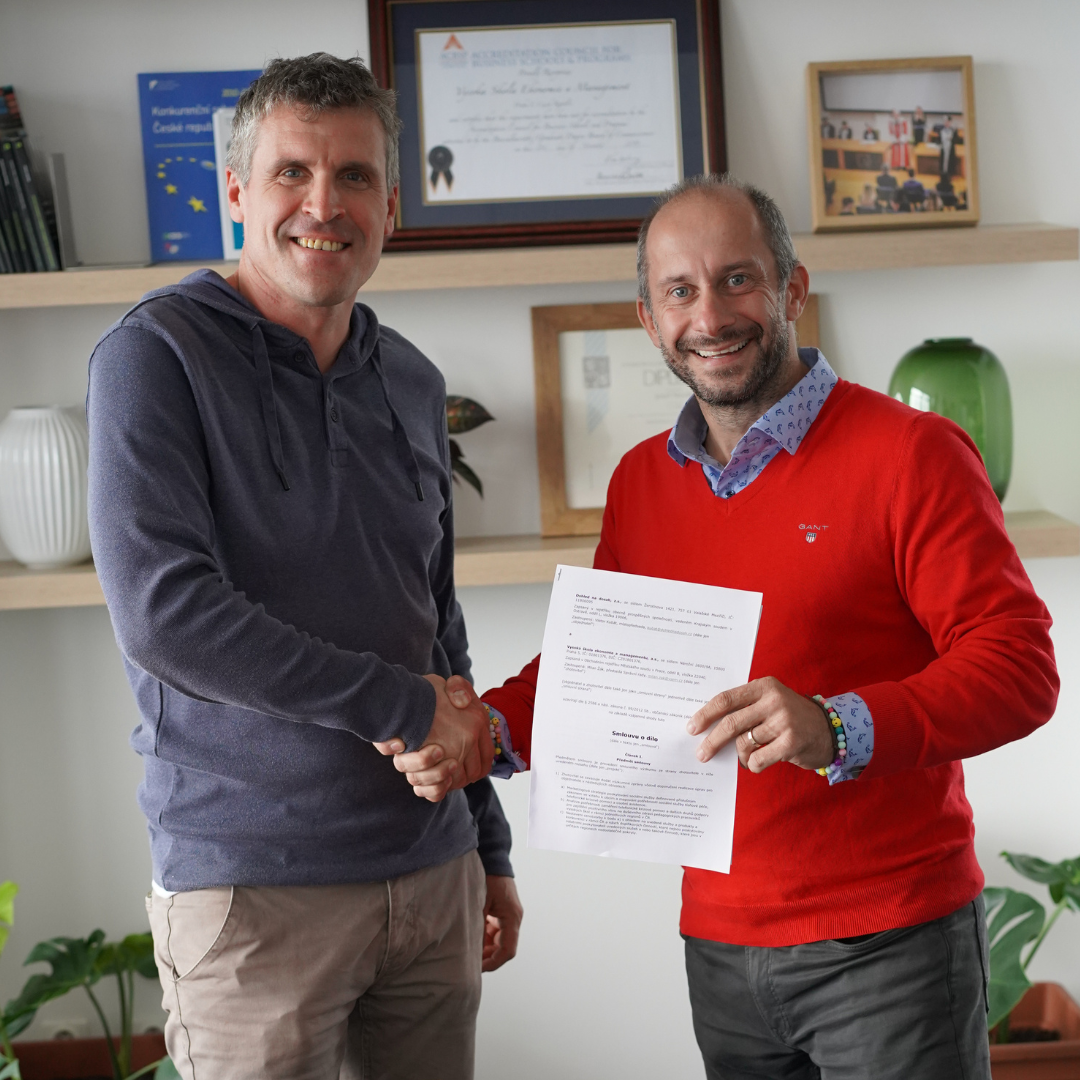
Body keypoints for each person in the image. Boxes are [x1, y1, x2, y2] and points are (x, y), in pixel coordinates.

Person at [387, 174, 1059, 1079]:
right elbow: (599, 670)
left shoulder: (913, 454)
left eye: (737, 279)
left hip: (890, 942)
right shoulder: (641, 482)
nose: (709, 315)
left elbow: (1018, 668)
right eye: (680, 290)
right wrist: (487, 730)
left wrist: (835, 725)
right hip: (721, 946)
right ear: (649, 318)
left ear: (792, 289)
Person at [87, 53, 522, 1080]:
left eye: (354, 176)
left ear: (390, 206)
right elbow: (165, 614)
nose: (323, 205)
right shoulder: (156, 355)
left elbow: (434, 623)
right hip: (251, 891)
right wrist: (403, 709)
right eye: (292, 172)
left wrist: (486, 841)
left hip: (432, 879)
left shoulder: (411, 379)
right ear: (237, 193)